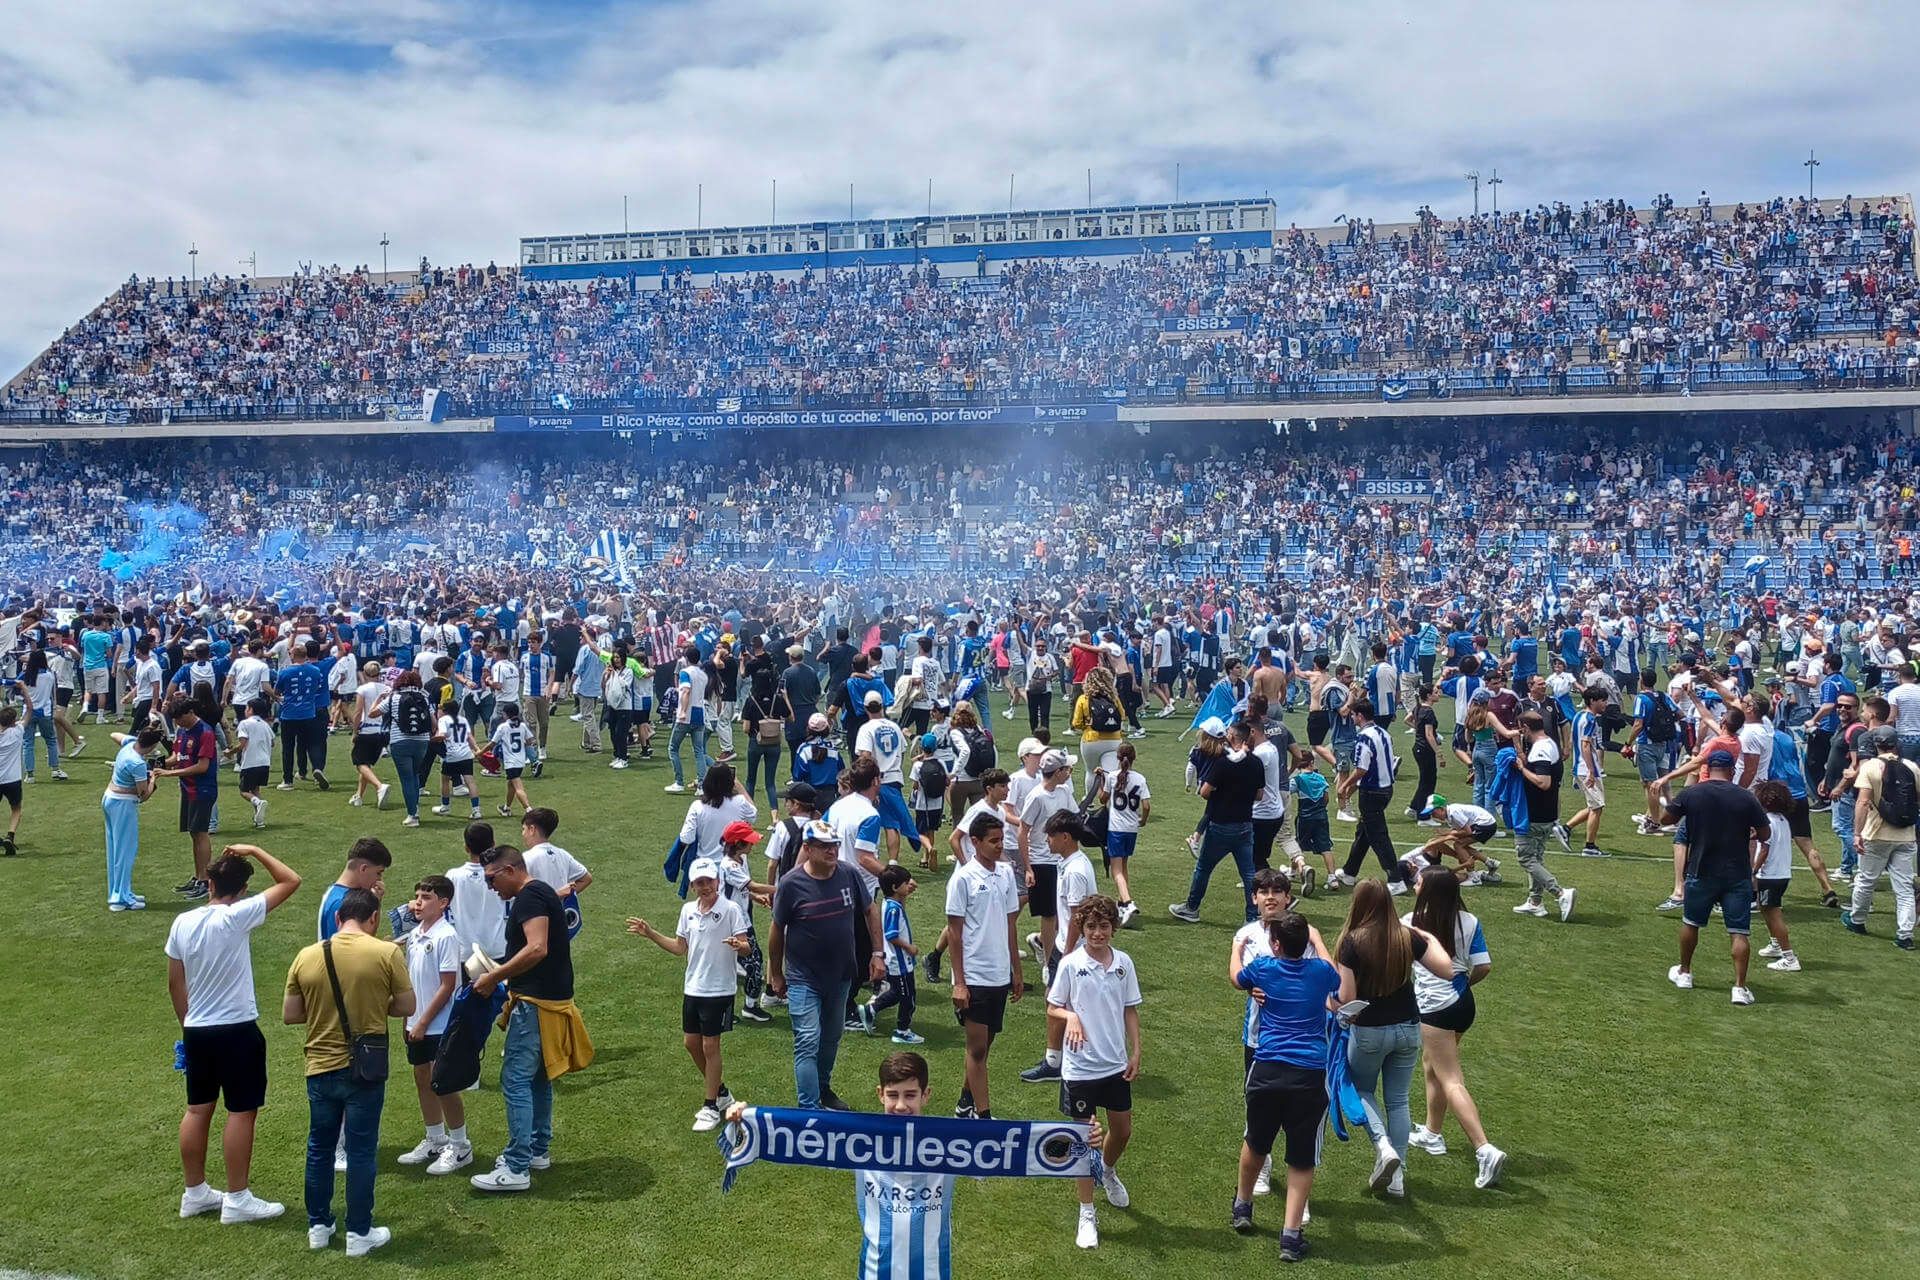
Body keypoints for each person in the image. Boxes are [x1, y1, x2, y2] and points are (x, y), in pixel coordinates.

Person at [723, 1051, 1103, 1280]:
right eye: (893, 1096)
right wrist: (748, 1117)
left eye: (910, 1095)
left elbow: (1015, 1149)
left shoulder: (953, 1141)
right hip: (875, 1271)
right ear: (880, 1095)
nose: (901, 1105)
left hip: (933, 1272)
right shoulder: (857, 1139)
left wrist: (1081, 1141)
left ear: (926, 1095)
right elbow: (800, 1136)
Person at [167, 843, 301, 1225]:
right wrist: (256, 850)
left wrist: (187, 1025)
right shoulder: (239, 916)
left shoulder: (182, 922)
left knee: (197, 1109)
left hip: (197, 1031)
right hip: (237, 1030)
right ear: (242, 890)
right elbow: (290, 880)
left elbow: (175, 983)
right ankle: (237, 1198)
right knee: (241, 1113)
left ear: (209, 883)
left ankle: (194, 1193)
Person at [282, 886, 414, 1256]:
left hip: (319, 1065)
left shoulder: (306, 956)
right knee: (360, 1151)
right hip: (365, 1068)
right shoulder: (386, 952)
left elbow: (291, 1014)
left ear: (338, 919)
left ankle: (318, 1226)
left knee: (319, 1148)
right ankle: (359, 1232)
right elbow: (406, 1004)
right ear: (373, 919)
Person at [468, 845, 590, 1191]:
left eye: (491, 878)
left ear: (509, 870)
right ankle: (537, 1150)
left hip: (536, 1004)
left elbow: (537, 947)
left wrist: (494, 976)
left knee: (516, 1079)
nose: (490, 886)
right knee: (538, 1077)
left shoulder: (529, 897)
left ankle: (518, 1166)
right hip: (549, 1000)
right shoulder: (540, 893)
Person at [1230, 911, 1339, 1260]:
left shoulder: (1263, 968)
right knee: (1302, 1158)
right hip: (1308, 1076)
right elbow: (1334, 972)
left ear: (1275, 944)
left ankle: (1243, 1206)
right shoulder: (1321, 973)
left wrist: (1237, 947)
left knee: (1256, 1141)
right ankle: (1291, 1237)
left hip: (1266, 1070)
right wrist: (1318, 939)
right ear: (1304, 942)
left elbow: (1236, 977)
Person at [1336, 878, 1454, 1200]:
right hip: (1408, 1029)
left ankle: (1383, 1147)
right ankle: (1397, 1177)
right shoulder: (1407, 938)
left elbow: (1346, 997)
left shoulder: (1351, 942)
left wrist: (1329, 1002)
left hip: (1369, 1031)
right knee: (1399, 1100)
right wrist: (1429, 938)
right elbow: (1446, 970)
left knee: (1361, 1089)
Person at [626, 857, 751, 1131]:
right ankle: (720, 1092)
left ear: (717, 881)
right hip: (693, 987)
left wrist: (737, 945)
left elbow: (746, 946)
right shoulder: (687, 911)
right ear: (693, 885)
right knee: (691, 1043)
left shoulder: (730, 910)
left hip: (719, 989)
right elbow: (679, 947)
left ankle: (709, 1106)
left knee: (710, 1046)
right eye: (699, 882)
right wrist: (650, 934)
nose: (705, 886)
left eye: (709, 881)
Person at [767, 818, 884, 1110]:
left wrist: (877, 954)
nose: (832, 851)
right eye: (824, 847)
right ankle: (808, 1106)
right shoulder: (792, 884)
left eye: (834, 846)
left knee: (831, 1037)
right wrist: (777, 975)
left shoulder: (848, 874)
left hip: (842, 974)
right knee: (808, 1038)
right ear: (808, 848)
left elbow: (870, 909)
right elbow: (776, 930)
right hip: (803, 978)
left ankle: (822, 1089)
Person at [1047, 894, 1141, 1249]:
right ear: (1081, 928)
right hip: (1080, 1070)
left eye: (1103, 926)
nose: (1097, 933)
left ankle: (1109, 1170)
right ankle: (1087, 1212)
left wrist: (1136, 1051)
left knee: (1123, 1130)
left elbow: (1130, 1009)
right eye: (1091, 927)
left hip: (1115, 1065)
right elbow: (1054, 1006)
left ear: (1113, 927)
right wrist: (1070, 1016)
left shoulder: (1124, 964)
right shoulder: (1071, 964)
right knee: (1082, 1143)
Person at [1401, 868, 1505, 1188]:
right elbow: (1484, 965)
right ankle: (1433, 1133)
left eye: (1418, 881)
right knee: (1431, 1066)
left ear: (1429, 890)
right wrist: (1464, 984)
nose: (1414, 884)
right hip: (1463, 1004)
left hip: (1435, 1009)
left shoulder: (1410, 922)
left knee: (1450, 1079)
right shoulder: (1470, 920)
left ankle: (1484, 1149)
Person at [1663, 749, 1771, 1003]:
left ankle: (1685, 972)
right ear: (1732, 770)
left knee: (1691, 923)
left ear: (1707, 769)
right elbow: (1765, 834)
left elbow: (1666, 818)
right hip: (1737, 873)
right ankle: (1739, 988)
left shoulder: (1693, 793)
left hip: (1701, 869)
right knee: (1739, 931)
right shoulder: (1746, 797)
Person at [945, 810, 1023, 1119]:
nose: (999, 846)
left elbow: (1011, 925)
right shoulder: (963, 879)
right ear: (974, 842)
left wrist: (1017, 971)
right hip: (975, 976)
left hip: (999, 975)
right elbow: (954, 932)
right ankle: (984, 1114)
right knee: (976, 1050)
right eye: (993, 841)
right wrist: (960, 982)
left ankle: (966, 1100)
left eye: (1001, 839)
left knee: (986, 1046)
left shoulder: (1005, 873)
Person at [395, 875, 472, 1175]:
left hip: (438, 1025)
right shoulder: (415, 935)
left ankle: (461, 1145)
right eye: (416, 896)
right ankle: (435, 1138)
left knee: (443, 1083)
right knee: (421, 1077)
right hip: (417, 1023)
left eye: (425, 898)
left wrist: (424, 1021)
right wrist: (408, 1017)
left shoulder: (446, 936)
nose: (417, 903)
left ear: (443, 903)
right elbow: (412, 981)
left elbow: (446, 986)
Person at [1171, 723, 1264, 923]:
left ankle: (1192, 908)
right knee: (1248, 873)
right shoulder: (1256, 762)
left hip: (1220, 824)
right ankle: (1252, 915)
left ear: (1232, 736)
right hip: (1245, 825)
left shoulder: (1223, 763)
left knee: (1203, 868)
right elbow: (1259, 795)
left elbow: (1205, 792)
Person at [1843, 725, 1919, 948]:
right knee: (1904, 887)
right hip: (1905, 835)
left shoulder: (1871, 767)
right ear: (1896, 743)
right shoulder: (1912, 767)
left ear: (1876, 744)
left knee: (1866, 880)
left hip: (1876, 833)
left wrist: (1857, 833)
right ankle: (1905, 935)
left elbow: (1863, 802)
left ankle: (1857, 920)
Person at [1511, 712, 1577, 922]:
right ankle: (1535, 902)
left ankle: (1559, 892)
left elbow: (1543, 782)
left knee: (1526, 858)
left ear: (1526, 727)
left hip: (1534, 813)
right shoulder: (1549, 743)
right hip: (1547, 812)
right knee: (1537, 858)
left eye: (1521, 728)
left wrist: (1522, 769)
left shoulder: (1540, 749)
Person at [1016, 749, 1080, 964]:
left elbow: (1074, 817)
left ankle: (1043, 943)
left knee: (1061, 910)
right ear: (1058, 771)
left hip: (1062, 860)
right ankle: (1049, 960)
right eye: (1066, 768)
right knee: (1050, 913)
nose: (1070, 772)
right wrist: (1028, 867)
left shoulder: (1063, 792)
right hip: (1042, 861)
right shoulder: (1037, 796)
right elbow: (1023, 830)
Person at [155, 693, 220, 901]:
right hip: (188, 789)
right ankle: (198, 876)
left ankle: (205, 880)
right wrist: (159, 765)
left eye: (179, 718)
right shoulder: (183, 730)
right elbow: (178, 757)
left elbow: (202, 766)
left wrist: (169, 774)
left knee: (200, 833)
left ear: (191, 712)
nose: (177, 722)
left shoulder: (205, 732)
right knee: (193, 833)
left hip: (203, 790)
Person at [1332, 699, 1399, 890]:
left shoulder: (1364, 737)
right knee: (1364, 833)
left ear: (1359, 716)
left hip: (1371, 793)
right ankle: (1349, 872)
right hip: (1386, 788)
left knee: (1379, 836)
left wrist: (1344, 786)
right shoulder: (1384, 733)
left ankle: (1396, 879)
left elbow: (1361, 768)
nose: (1352, 718)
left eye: (1353, 715)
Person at [858, 863, 923, 1043]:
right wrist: (909, 948)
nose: (909, 885)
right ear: (895, 887)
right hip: (899, 961)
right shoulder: (893, 909)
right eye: (905, 883)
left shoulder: (890, 902)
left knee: (897, 993)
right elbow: (892, 935)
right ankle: (902, 1031)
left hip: (897, 960)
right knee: (908, 997)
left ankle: (871, 1010)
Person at [102, 726, 165, 905]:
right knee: (125, 851)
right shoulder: (137, 763)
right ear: (152, 746)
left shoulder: (129, 744)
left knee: (115, 850)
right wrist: (153, 779)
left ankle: (121, 891)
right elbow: (143, 795)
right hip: (122, 804)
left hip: (109, 799)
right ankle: (120, 899)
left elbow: (114, 734)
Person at [1750, 781, 1802, 973]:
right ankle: (1775, 944)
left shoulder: (1768, 822)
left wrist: (1754, 870)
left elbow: (1765, 848)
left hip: (1770, 876)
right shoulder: (1782, 820)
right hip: (1781, 874)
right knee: (1766, 909)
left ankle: (1789, 957)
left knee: (1773, 914)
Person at [1096, 740, 1150, 924]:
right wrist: (1142, 819)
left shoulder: (1112, 777)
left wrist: (1101, 780)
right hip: (1131, 829)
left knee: (1116, 869)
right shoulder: (1140, 779)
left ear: (1118, 758)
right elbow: (1146, 805)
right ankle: (1121, 903)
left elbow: (1103, 799)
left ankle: (1128, 902)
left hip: (1116, 829)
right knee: (1124, 866)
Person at [347, 662, 393, 811]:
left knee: (359, 763)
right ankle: (359, 795)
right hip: (382, 732)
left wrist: (355, 731)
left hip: (367, 731)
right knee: (366, 764)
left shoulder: (363, 689)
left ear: (365, 674)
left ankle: (380, 786)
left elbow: (358, 711)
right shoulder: (387, 689)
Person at [431, 700, 482, 819]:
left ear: (445, 710)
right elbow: (469, 737)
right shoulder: (463, 719)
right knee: (470, 781)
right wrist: (477, 749)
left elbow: (442, 735)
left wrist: (431, 739)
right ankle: (476, 810)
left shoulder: (443, 720)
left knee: (445, 780)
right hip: (466, 754)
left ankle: (445, 806)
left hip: (452, 754)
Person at [229, 697, 274, 829]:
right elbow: (272, 742)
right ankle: (259, 820)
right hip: (264, 762)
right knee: (255, 789)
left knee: (244, 791)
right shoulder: (265, 724)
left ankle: (257, 802)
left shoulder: (244, 723)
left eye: (247, 708)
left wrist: (230, 752)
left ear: (251, 710)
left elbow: (243, 743)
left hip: (250, 762)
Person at [490, 702, 537, 819]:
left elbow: (492, 744)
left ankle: (528, 809)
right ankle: (506, 808)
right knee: (511, 785)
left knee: (518, 788)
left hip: (511, 762)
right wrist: (523, 743)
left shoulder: (503, 727)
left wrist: (479, 753)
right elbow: (531, 740)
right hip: (520, 761)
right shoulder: (522, 726)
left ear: (506, 715)